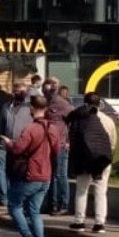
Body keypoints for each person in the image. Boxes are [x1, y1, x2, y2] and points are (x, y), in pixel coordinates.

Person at [1, 95, 59, 237]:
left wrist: (8, 143)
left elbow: (18, 149)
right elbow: (56, 151)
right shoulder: (53, 128)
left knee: (13, 205)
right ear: (46, 108)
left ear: (32, 109)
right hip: (46, 175)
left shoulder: (30, 129)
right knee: (34, 210)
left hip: (30, 174)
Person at [66, 93, 117, 233]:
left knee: (82, 189)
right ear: (100, 104)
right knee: (101, 191)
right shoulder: (108, 120)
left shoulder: (79, 117)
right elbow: (113, 142)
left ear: (84, 103)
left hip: (84, 158)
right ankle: (100, 223)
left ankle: (79, 221)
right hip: (103, 159)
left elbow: (73, 138)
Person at [0, 82, 35, 207]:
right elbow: (0, 125)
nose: (19, 93)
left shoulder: (31, 107)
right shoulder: (7, 106)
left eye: (22, 91)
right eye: (17, 90)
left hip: (24, 144)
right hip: (6, 143)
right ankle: (9, 199)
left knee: (21, 173)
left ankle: (21, 201)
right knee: (8, 172)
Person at [43, 76, 73, 216]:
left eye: (53, 84)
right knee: (49, 175)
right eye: (47, 84)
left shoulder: (62, 104)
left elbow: (73, 121)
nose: (49, 87)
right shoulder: (45, 103)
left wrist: (69, 141)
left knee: (60, 175)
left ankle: (64, 204)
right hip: (46, 145)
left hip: (60, 145)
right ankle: (51, 205)